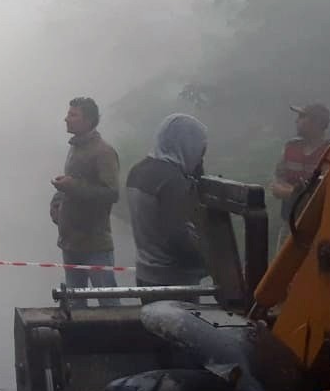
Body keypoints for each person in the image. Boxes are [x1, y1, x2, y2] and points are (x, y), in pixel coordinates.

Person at [49, 96, 121, 306]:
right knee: (74, 303)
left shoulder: (103, 152)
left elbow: (111, 193)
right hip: (71, 240)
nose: (66, 119)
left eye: (73, 115)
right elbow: (71, 184)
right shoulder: (76, 148)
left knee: (108, 303)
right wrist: (56, 203)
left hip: (95, 243)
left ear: (88, 120)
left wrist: (72, 186)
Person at [124, 113, 210, 289]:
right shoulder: (172, 181)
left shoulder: (138, 170)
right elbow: (177, 236)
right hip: (173, 279)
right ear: (187, 144)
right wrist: (208, 262)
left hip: (145, 272)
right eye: (200, 149)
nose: (200, 156)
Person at [271, 103, 330, 239]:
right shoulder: (291, 147)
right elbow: (275, 186)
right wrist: (299, 192)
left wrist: (292, 192)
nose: (296, 121)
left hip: (319, 228)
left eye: (301, 117)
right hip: (289, 225)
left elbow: (322, 195)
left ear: (316, 122)